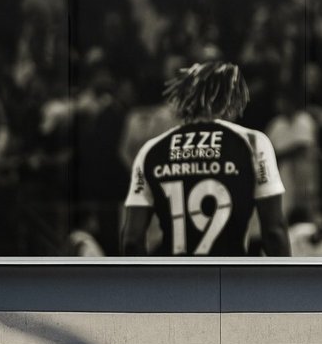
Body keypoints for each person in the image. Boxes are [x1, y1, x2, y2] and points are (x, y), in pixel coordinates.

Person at [120, 61, 291, 256]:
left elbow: (132, 239)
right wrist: (289, 284)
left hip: (173, 280)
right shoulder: (253, 143)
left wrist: (147, 286)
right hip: (230, 280)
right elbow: (274, 231)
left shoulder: (151, 150)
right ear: (231, 100)